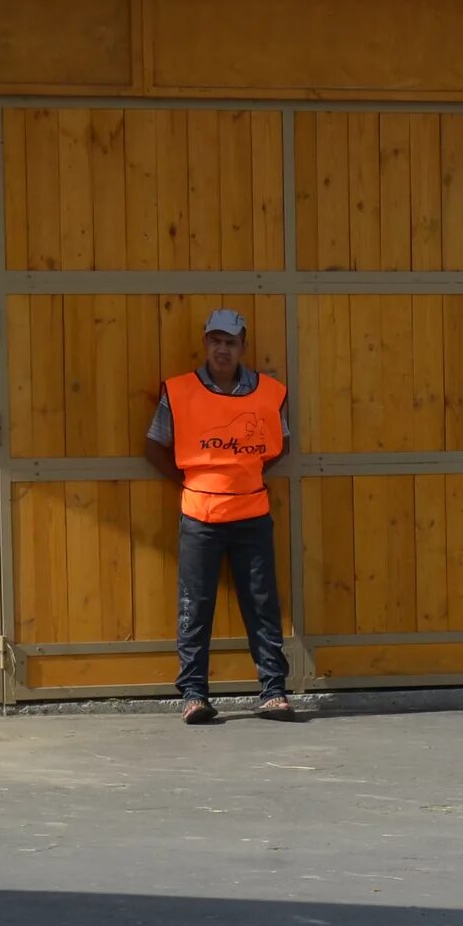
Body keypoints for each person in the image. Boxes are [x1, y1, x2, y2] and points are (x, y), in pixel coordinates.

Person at [146, 308, 294, 723]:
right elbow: (155, 446)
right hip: (200, 516)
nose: (222, 349)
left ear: (242, 347)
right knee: (195, 605)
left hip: (252, 513)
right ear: (205, 344)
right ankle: (193, 694)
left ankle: (273, 691)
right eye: (215, 341)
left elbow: (282, 445)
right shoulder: (178, 392)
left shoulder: (270, 392)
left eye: (230, 342)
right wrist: (195, 481)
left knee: (262, 603)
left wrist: (240, 476)